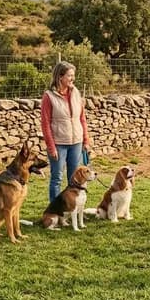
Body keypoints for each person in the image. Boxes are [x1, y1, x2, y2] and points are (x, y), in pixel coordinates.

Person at [41, 61, 92, 204]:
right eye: (70, 75)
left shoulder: (76, 92)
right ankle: (55, 210)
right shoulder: (49, 96)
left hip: (76, 142)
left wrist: (86, 140)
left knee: (75, 178)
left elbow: (82, 118)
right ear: (60, 76)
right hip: (58, 143)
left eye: (73, 75)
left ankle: (73, 208)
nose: (72, 79)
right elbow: (45, 124)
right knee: (57, 178)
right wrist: (51, 147)